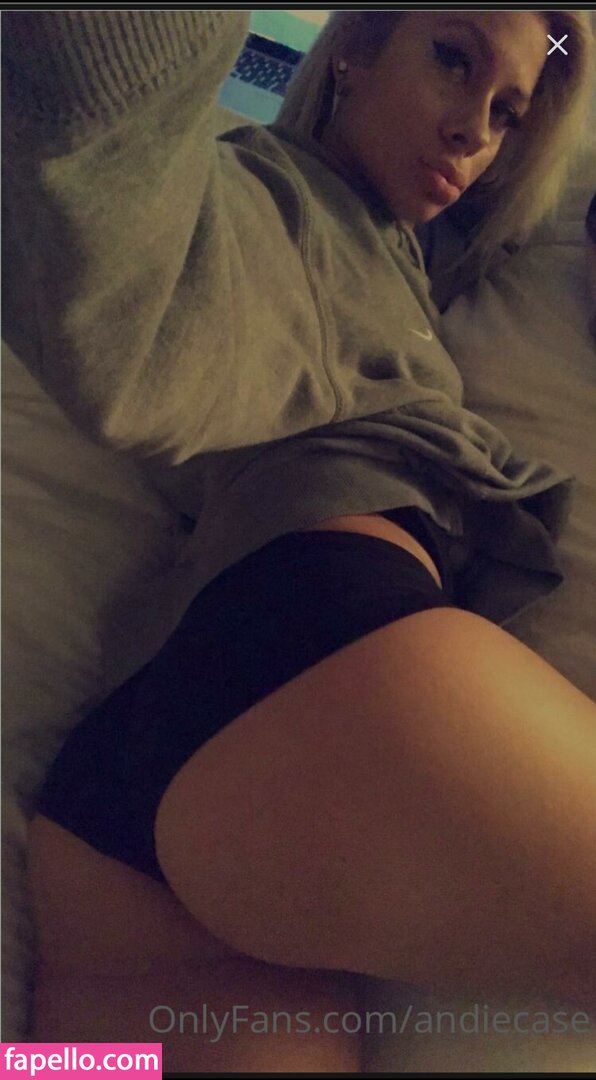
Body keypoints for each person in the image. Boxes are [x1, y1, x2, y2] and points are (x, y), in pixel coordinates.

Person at [3, 9, 595, 1073]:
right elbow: (120, 260)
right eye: (451, 59)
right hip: (316, 656)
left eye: (506, 114)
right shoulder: (263, 196)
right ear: (353, 52)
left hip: (117, 804)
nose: (473, 130)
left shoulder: (411, 259)